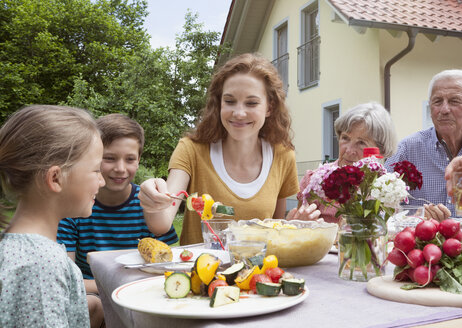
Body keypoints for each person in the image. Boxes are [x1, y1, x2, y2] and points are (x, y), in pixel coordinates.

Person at [138, 53, 320, 245]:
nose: (239, 113)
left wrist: (291, 228)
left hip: (257, 273)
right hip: (201, 273)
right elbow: (161, 224)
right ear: (219, 103)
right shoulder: (191, 149)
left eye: (251, 103)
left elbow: (273, 231)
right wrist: (153, 203)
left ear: (269, 107)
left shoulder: (283, 155)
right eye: (230, 101)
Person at [57, 113, 178, 326]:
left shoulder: (150, 203)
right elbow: (67, 279)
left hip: (145, 294)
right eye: (109, 158)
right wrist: (111, 285)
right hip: (96, 298)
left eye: (130, 159)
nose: (120, 168)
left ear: (138, 161)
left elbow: (169, 268)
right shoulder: (73, 208)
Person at [0, 105, 104, 327]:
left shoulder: (21, 248)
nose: (101, 181)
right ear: (55, 178)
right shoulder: (40, 265)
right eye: (96, 171)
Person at [385, 69, 462, 221]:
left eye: (454, 101)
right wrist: (416, 218)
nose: (444, 109)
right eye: (437, 101)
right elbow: (379, 208)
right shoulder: (407, 149)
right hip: (423, 242)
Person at [297, 102, 397, 223]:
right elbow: (297, 227)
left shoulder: (387, 187)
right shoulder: (314, 181)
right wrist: (300, 223)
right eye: (345, 138)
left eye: (361, 143)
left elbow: (391, 230)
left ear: (379, 149)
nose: (349, 151)